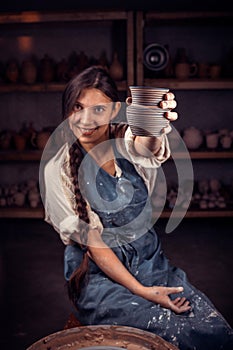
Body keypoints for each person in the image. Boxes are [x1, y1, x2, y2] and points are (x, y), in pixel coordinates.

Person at [41, 66, 233, 350]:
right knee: (174, 333)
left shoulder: (126, 141)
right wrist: (144, 293)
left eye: (98, 110)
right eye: (77, 107)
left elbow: (146, 145)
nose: (84, 119)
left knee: (214, 332)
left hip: (151, 265)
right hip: (102, 278)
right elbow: (94, 244)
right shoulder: (57, 169)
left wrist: (155, 125)